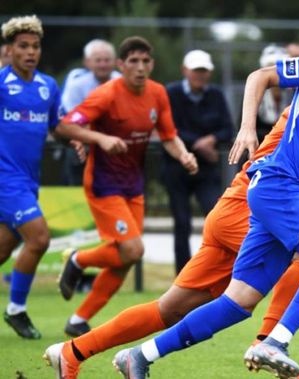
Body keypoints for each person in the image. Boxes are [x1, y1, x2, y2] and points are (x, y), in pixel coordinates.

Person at [109, 29, 299, 379]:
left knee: (237, 303)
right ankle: (276, 342)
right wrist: (246, 128)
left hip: (286, 198)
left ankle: (139, 355)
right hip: (275, 182)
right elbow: (260, 76)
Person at [43, 106, 299, 378]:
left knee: (169, 309)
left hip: (234, 213)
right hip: (250, 206)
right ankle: (268, 347)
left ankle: (73, 352)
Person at [52, 36, 198, 338]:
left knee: (124, 259)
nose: (140, 68)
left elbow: (169, 136)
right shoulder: (106, 94)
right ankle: (78, 259)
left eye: (145, 61)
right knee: (133, 249)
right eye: (133, 61)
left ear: (152, 64)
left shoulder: (157, 94)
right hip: (104, 185)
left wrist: (183, 154)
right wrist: (100, 139)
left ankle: (79, 318)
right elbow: (65, 125)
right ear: (121, 65)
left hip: (134, 185)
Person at [0, 15, 62, 339]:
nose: (30, 52)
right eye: (23, 46)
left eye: (35, 46)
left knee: (2, 249)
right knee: (39, 238)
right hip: (5, 180)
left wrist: (84, 138)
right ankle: (16, 310)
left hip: (27, 182)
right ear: (9, 50)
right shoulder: (0, 83)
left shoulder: (47, 86)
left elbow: (58, 126)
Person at [163, 49, 233, 274]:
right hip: (176, 167)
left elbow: (228, 129)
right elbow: (168, 129)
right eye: (196, 70)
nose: (200, 75)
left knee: (216, 218)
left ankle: (214, 271)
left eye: (203, 71)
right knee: (181, 222)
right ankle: (183, 276)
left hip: (206, 170)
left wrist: (210, 140)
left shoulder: (215, 95)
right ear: (185, 71)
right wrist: (199, 144)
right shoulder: (171, 93)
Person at [60, 39, 120, 185]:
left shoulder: (123, 82)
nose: (103, 64)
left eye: (107, 60)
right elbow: (69, 119)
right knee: (74, 151)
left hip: (115, 140)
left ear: (115, 62)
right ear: (87, 62)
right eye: (98, 60)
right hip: (83, 139)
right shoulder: (76, 83)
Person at [256, 45, 291, 141]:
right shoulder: (255, 94)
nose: (274, 72)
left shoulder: (293, 94)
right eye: (270, 66)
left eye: (278, 68)